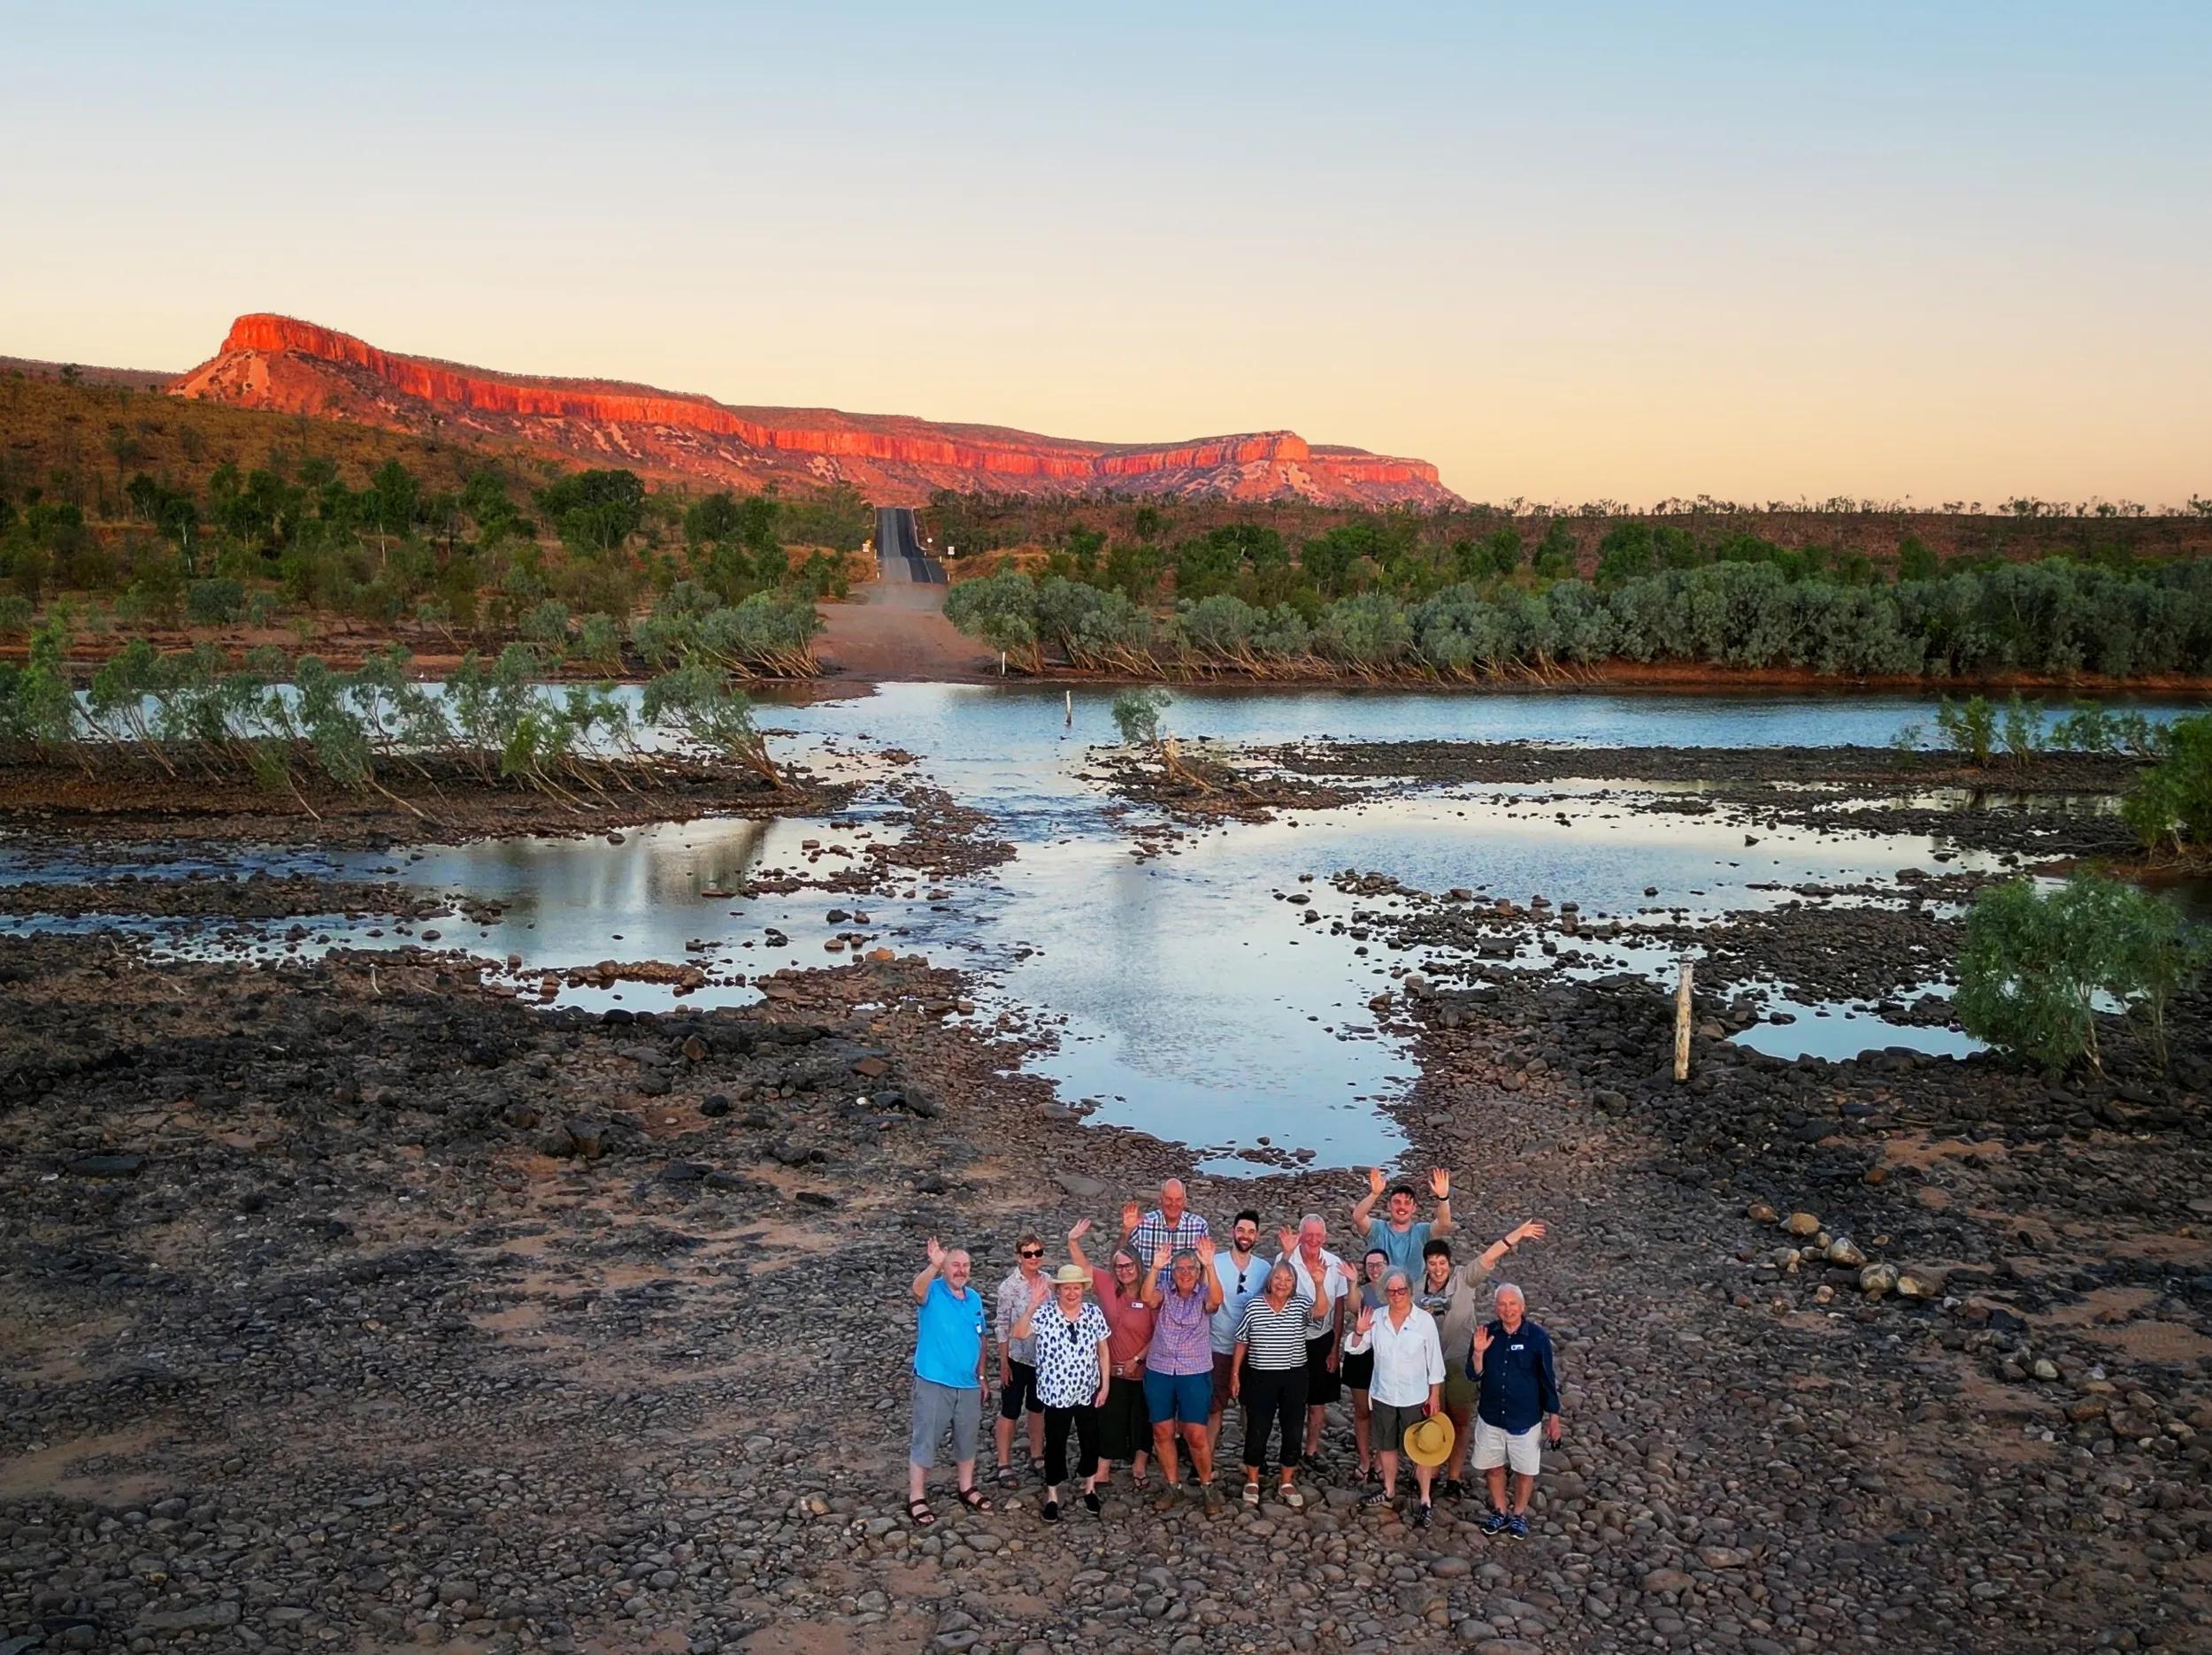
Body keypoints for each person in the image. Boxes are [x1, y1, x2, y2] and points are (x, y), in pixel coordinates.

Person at [1417, 1220, 1548, 1496]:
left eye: (1442, 1262)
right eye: (1432, 1263)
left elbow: (1491, 1253)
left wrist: (1518, 1235)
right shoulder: (1417, 1289)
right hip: (1428, 1365)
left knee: (1461, 1420)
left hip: (1460, 1359)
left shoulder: (1465, 1277)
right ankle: (1433, 1470)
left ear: (1450, 1263)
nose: (1438, 1269)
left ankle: (1454, 1477)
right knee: (1433, 1421)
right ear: (1425, 1265)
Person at [1342, 1270, 1446, 1526]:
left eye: (1401, 1290)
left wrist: (1434, 1395)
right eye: (1391, 1291)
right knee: (1386, 1445)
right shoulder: (1376, 1317)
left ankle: (1424, 1499)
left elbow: (1435, 1362)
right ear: (1384, 1294)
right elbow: (1355, 1348)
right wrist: (1358, 1330)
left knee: (1422, 1450)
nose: (1397, 1295)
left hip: (1416, 1396)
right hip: (1384, 1394)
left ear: (1410, 1291)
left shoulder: (1424, 1321)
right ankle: (1388, 1490)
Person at [1010, 1264, 1110, 1522]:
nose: (1072, 1293)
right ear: (1058, 1290)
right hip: (1055, 1393)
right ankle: (1053, 1495)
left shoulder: (1093, 1313)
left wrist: (1106, 1385)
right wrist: (1032, 1305)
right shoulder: (1045, 1313)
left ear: (1083, 1290)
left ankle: (1089, 1488)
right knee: (1055, 1444)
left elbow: (1103, 1350)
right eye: (1067, 1288)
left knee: (1091, 1441)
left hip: (1087, 1390)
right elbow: (1019, 1334)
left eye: (1076, 1288)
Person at [907, 1237, 992, 1526]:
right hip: (933, 1381)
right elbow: (916, 1291)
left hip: (968, 1384)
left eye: (965, 1265)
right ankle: (916, 1496)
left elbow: (982, 1338)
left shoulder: (975, 1299)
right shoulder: (933, 1290)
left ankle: (966, 1487)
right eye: (955, 1264)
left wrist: (981, 1377)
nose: (961, 1270)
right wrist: (932, 1266)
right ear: (945, 1267)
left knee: (967, 1439)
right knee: (926, 1438)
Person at [1067, 1218, 1156, 1496]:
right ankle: (1102, 1468)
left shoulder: (1150, 1293)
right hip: (1111, 1370)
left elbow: (1160, 1334)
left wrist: (1138, 1359)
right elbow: (1083, 1268)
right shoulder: (1106, 1285)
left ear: (1138, 1267)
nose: (1124, 1271)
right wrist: (1073, 1241)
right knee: (1108, 1418)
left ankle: (1139, 1466)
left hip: (1144, 1370)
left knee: (1143, 1420)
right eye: (1119, 1266)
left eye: (1129, 1265)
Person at [1470, 1283, 1563, 1539]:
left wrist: (1554, 1417)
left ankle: (1519, 1514)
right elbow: (1473, 1375)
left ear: (1522, 1307)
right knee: (1494, 1467)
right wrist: (1478, 1353)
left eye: (1512, 1304)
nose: (1507, 1309)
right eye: (1502, 1304)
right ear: (1495, 1307)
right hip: (1491, 1415)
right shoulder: (1485, 1333)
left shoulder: (1537, 1338)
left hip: (1525, 1418)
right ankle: (1500, 1510)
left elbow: (1547, 1378)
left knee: (1525, 1470)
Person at [1139, 1237, 1225, 1509]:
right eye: (1179, 1269)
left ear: (1198, 1272)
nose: (1185, 1273)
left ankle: (1207, 1485)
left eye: (1191, 1268)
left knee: (1196, 1435)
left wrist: (1210, 1265)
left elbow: (1216, 1300)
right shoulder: (1165, 1290)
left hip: (1194, 1371)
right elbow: (1146, 1297)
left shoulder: (1203, 1294)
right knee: (1162, 1431)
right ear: (1172, 1273)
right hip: (1160, 1370)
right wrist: (1154, 1268)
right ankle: (1172, 1485)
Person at [1274, 1214, 1355, 1470]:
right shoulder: (1285, 1259)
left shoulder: (1334, 1264)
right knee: (1291, 1399)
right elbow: (1274, 1290)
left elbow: (1340, 1309)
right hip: (1291, 1340)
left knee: (1317, 1401)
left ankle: (1311, 1450)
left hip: (1323, 1340)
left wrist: (1335, 1348)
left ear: (1325, 1237)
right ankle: (1291, 1450)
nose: (1313, 1240)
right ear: (1299, 1235)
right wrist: (1286, 1254)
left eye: (1318, 1235)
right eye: (1308, 1234)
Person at [1230, 1260, 1312, 1508]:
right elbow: (1242, 1340)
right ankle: (1253, 1478)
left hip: (1294, 1375)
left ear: (1295, 1283)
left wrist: (1318, 1282)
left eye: (1288, 1280)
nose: (1282, 1284)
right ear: (1269, 1280)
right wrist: (1235, 1374)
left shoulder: (1300, 1305)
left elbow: (1320, 1312)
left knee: (1293, 1429)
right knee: (1258, 1427)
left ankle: (1286, 1480)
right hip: (1260, 1374)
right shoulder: (1254, 1306)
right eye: (1278, 1278)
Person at [1207, 1209, 1271, 1457]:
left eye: (1251, 1232)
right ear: (1233, 1232)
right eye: (1241, 1230)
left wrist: (1287, 1253)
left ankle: (1253, 1459)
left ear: (1257, 1237)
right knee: (1215, 1408)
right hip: (1218, 1346)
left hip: (1254, 1350)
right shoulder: (1215, 1262)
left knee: (1251, 1408)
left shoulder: (1264, 1268)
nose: (1245, 1236)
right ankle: (1206, 1462)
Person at [992, 1232, 1050, 1486]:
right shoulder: (1008, 1287)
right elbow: (1002, 1325)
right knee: (1010, 1410)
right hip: (1017, 1356)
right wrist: (1003, 1363)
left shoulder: (1050, 1282)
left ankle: (1037, 1455)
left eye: (1038, 1253)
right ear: (1019, 1257)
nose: (1033, 1258)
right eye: (1028, 1254)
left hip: (1044, 1358)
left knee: (1038, 1408)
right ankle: (1003, 1463)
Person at [1350, 1166, 1456, 1285]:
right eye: (1397, 1202)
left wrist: (1443, 1198)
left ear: (1414, 1208)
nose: (1402, 1207)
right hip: (1380, 1293)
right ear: (1389, 1206)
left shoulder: (1422, 1232)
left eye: (1407, 1203)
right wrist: (1374, 1194)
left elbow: (1444, 1224)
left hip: (1412, 1294)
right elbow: (1358, 1217)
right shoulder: (1377, 1229)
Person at [1342, 1247, 1389, 1483]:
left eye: (1379, 1264)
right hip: (1361, 1355)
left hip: (1389, 1358)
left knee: (1384, 1413)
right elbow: (1352, 1306)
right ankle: (1364, 1459)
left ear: (1388, 1266)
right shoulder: (1361, 1291)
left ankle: (1381, 1460)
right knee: (1362, 1411)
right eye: (1370, 1265)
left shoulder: (1396, 1291)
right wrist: (1351, 1284)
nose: (1375, 1269)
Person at [1120, 1179, 1210, 1285]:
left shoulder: (1199, 1226)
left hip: (1184, 1298)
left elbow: (1205, 1268)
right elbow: (1120, 1258)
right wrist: (1126, 1230)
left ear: (1185, 1201)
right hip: (1147, 1294)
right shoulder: (1143, 1223)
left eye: (1178, 1200)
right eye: (1168, 1199)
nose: (1173, 1204)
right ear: (1160, 1199)